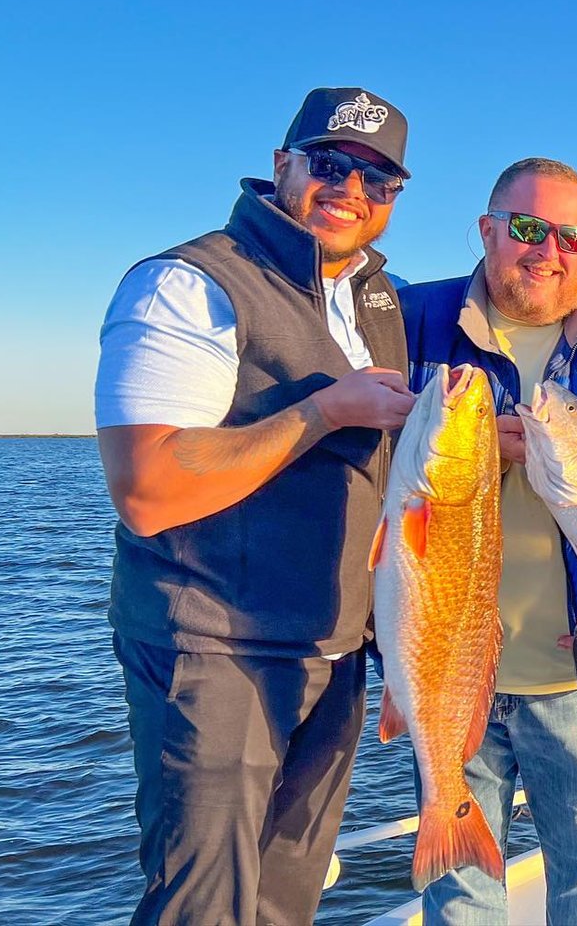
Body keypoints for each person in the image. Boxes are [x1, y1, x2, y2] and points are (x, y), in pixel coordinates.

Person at [95, 87, 416, 925]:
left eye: (378, 180)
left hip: (332, 654)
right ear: (282, 167)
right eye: (330, 163)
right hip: (216, 651)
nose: (351, 188)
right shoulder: (189, 284)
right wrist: (325, 410)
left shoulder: (377, 299)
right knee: (202, 908)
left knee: (284, 901)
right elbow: (148, 489)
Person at [396, 157, 577, 925]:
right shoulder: (407, 319)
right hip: (446, 674)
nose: (545, 249)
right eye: (526, 228)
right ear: (487, 230)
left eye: (568, 233)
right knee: (459, 900)